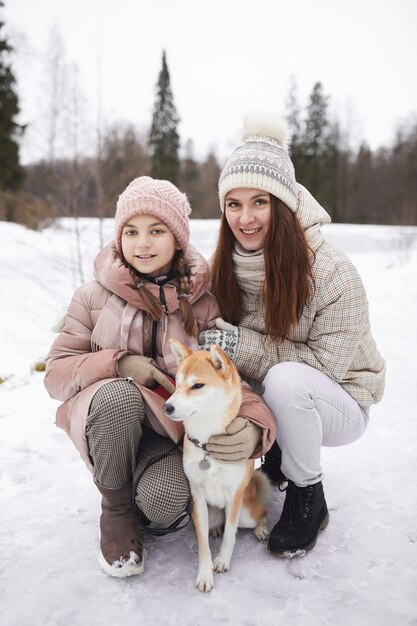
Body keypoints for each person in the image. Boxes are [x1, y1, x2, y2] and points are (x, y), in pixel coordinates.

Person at [44, 176, 276, 578]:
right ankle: (116, 510)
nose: (143, 244)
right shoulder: (91, 297)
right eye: (131, 232)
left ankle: (142, 495)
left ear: (178, 238)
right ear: (119, 238)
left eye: (156, 230)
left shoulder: (203, 304)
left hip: (170, 433)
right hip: (109, 421)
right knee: (120, 396)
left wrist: (256, 426)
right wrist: (117, 363)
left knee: (169, 501)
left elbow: (234, 380)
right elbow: (56, 376)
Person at [198, 113, 386, 557]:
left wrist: (239, 345)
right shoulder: (223, 266)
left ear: (283, 204)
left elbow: (325, 368)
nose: (245, 218)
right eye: (233, 204)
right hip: (277, 396)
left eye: (259, 202)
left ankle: (308, 497)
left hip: (341, 401)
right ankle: (269, 454)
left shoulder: (333, 273)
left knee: (285, 379)